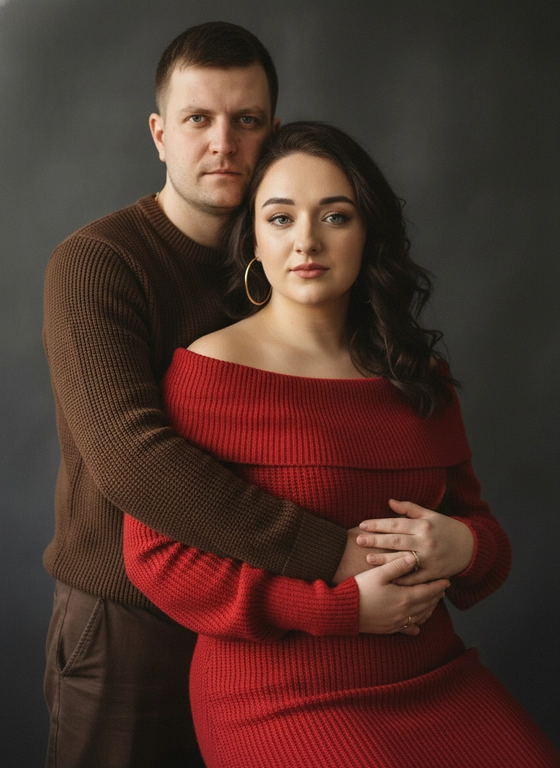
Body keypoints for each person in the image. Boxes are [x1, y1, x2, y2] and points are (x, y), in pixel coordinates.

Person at [124, 122, 560, 768]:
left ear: (367, 235)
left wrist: (462, 545)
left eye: (335, 216)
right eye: (280, 218)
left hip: (432, 673)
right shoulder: (208, 372)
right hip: (278, 692)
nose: (306, 241)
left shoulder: (416, 374)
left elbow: (485, 545)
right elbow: (155, 558)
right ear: (254, 242)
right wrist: (339, 611)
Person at [42, 24, 379, 768]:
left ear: (275, 134)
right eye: (199, 119)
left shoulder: (290, 261)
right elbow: (133, 461)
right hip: (129, 619)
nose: (224, 142)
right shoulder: (97, 265)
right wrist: (333, 555)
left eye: (247, 120)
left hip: (266, 612)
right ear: (160, 134)